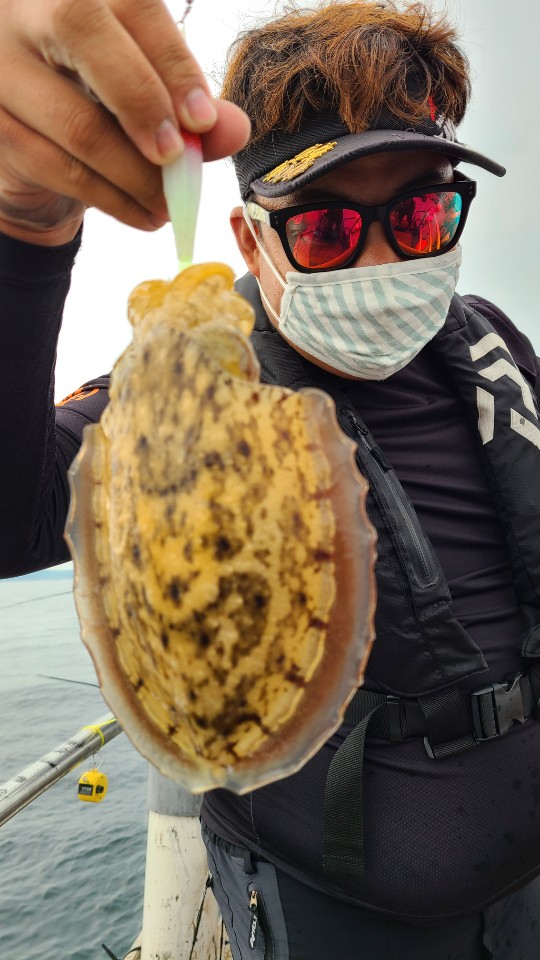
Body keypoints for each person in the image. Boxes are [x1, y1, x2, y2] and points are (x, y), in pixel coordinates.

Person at [1, 1, 540, 958]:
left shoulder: (492, 344)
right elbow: (13, 516)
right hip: (338, 903)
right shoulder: (185, 386)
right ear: (251, 242)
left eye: (421, 214)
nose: (384, 259)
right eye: (327, 230)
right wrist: (22, 225)